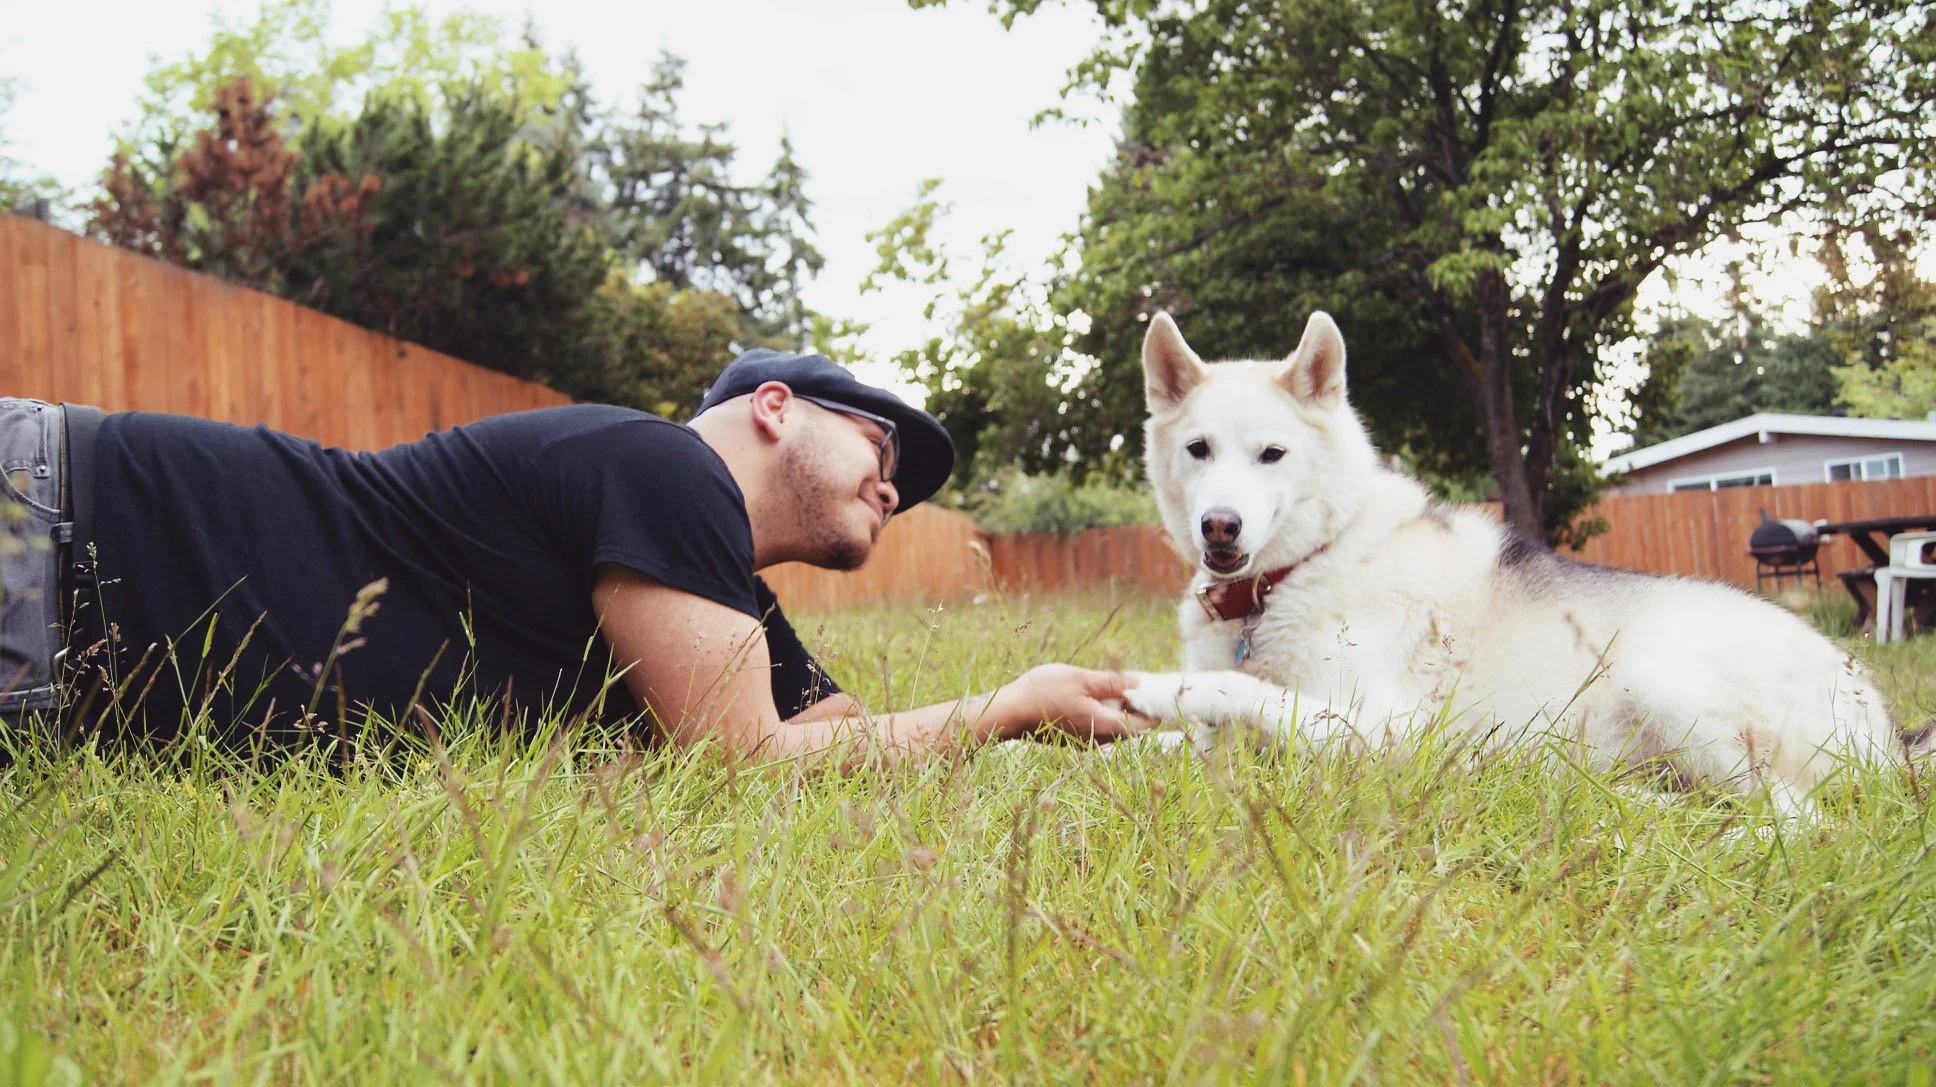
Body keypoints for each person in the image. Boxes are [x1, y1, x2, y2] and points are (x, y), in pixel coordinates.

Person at [0, 351, 1142, 758]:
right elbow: (752, 767)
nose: (896, 486)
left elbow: (832, 747)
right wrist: (1012, 702)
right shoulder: (661, 466)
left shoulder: (712, 584)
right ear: (776, 409)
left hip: (56, 691)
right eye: (882, 444)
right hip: (59, 521)